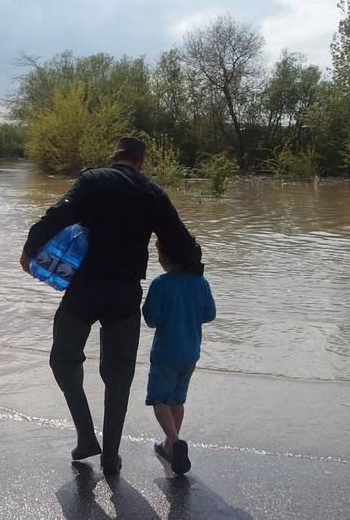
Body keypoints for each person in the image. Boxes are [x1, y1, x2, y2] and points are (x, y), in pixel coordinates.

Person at [19, 137, 202, 476]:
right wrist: (195, 278)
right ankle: (111, 457)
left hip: (84, 289)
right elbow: (180, 239)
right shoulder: (153, 192)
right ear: (141, 163)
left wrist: (30, 248)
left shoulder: (93, 180)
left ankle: (87, 436)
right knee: (118, 377)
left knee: (63, 358)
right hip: (125, 295)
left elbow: (58, 214)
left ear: (114, 156)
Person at [144, 238, 215, 476]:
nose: (159, 258)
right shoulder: (200, 282)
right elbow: (210, 314)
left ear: (170, 258)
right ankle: (168, 446)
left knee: (159, 399)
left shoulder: (161, 284)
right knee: (177, 399)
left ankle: (174, 441)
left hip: (165, 351)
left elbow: (151, 319)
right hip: (191, 351)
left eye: (160, 254)